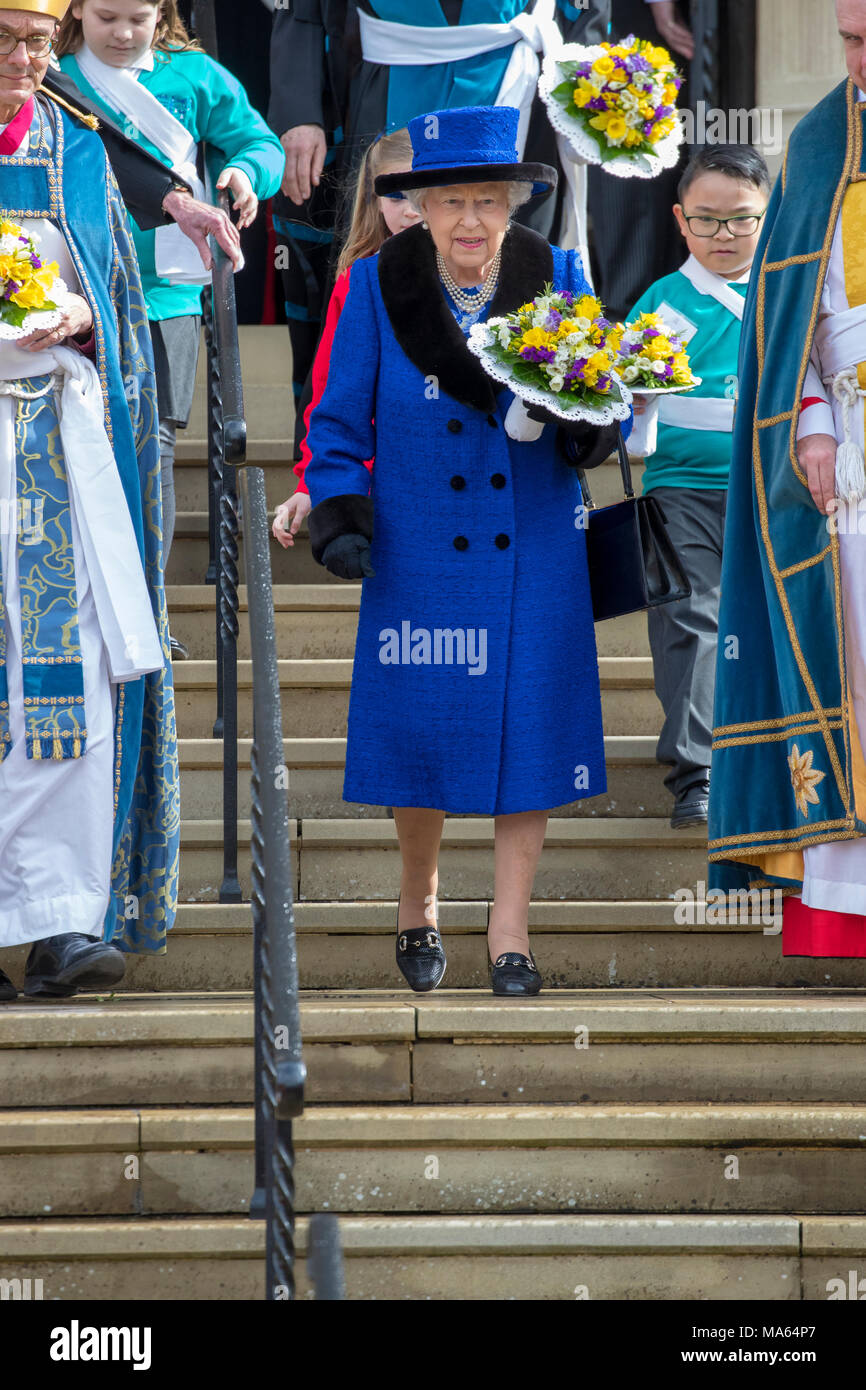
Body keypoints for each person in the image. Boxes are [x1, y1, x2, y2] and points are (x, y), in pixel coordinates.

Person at [304, 105, 622, 996]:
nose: (472, 222)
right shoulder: (375, 285)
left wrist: (567, 417)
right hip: (418, 550)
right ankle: (420, 901)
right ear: (422, 207)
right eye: (452, 203)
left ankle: (509, 930)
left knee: (532, 731)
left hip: (534, 544)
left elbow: (608, 402)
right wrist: (343, 517)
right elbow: (334, 421)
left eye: (489, 200)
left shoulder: (558, 274)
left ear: (515, 202)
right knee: (424, 736)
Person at [0, 0, 178, 1001]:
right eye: (5, 43)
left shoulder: (73, 145)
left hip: (49, 450)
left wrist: (77, 314)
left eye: (35, 42)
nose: (26, 63)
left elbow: (113, 295)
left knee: (63, 681)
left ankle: (62, 920)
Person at [269, 1, 612, 451]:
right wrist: (298, 106)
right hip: (393, 81)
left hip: (514, 85)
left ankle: (520, 448)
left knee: (521, 287)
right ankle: (335, 473)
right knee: (374, 279)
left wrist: (590, 82)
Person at [709, 0, 866, 959]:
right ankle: (850, 904)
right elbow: (785, 318)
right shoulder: (820, 140)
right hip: (849, 442)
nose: (857, 61)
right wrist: (807, 421)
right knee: (856, 665)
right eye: (849, 39)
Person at [56, 0, 284, 658]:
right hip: (80, 283)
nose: (125, 34)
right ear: (77, 10)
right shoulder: (54, 74)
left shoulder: (193, 75)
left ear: (163, 12)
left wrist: (243, 174)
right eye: (107, 18)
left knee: (151, 446)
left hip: (169, 298)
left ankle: (145, 613)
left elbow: (256, 141)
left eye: (138, 18)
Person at [627, 144, 769, 829]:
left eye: (741, 220)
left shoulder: (792, 292)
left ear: (769, 219)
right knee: (692, 618)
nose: (724, 236)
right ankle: (698, 776)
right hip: (681, 493)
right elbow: (622, 407)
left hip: (780, 490)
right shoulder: (663, 304)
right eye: (707, 220)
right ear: (681, 221)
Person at [272, 127, 420, 550]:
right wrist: (309, 481)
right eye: (395, 196)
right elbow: (327, 393)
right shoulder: (358, 280)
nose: (410, 210)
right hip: (380, 477)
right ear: (374, 199)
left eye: (420, 191)